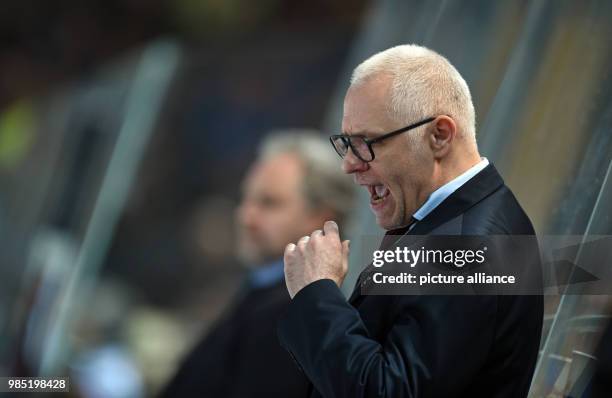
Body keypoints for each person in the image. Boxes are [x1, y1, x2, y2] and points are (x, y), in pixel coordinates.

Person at [279, 45, 543, 397]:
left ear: (439, 136)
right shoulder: (450, 222)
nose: (349, 165)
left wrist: (316, 293)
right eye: (347, 143)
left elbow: (388, 391)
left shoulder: (468, 247)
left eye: (367, 143)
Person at [160, 130, 355, 397]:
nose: (245, 217)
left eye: (269, 203)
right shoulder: (264, 292)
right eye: (246, 199)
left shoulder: (300, 319)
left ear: (321, 217)